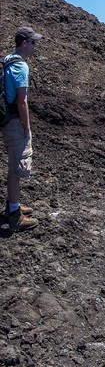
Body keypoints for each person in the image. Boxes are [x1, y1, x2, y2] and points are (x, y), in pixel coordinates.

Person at [3, 27, 42, 231]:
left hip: (6, 119)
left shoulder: (8, 59)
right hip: (14, 122)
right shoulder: (21, 66)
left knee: (13, 165)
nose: (35, 46)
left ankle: (13, 204)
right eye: (33, 42)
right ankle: (14, 215)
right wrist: (26, 128)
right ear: (24, 43)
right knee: (16, 168)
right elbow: (22, 101)